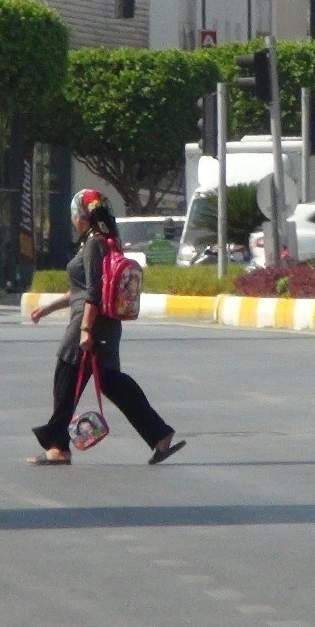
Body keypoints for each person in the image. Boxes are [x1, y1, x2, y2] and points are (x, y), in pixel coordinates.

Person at [28, 190, 186, 466]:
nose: (73, 219)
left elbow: (92, 293)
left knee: (66, 383)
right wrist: (48, 308)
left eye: (74, 214)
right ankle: (159, 434)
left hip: (89, 324)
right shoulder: (110, 241)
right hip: (109, 327)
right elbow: (83, 289)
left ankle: (57, 447)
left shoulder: (94, 244)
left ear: (82, 216)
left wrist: (85, 330)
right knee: (113, 383)